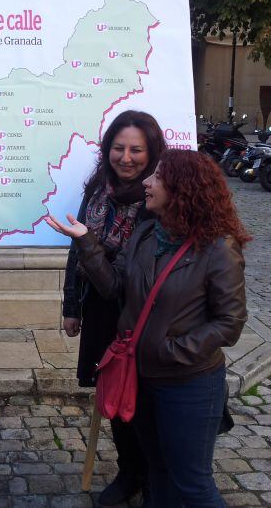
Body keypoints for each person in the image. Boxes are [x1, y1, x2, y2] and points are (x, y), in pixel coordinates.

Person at [47, 149, 250, 508]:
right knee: (157, 471)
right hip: (141, 379)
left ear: (182, 189)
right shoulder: (144, 235)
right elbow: (114, 287)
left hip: (189, 384)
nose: (146, 182)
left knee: (193, 483)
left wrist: (171, 350)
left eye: (156, 177)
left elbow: (229, 323)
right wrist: (86, 243)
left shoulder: (219, 248)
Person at [62, 110, 165, 507]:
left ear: (151, 151)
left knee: (146, 400)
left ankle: (155, 477)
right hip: (103, 311)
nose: (126, 157)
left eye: (136, 149)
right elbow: (78, 249)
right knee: (115, 397)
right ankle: (129, 473)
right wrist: (72, 307)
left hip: (143, 315)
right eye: (118, 148)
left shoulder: (161, 195)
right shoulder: (97, 189)